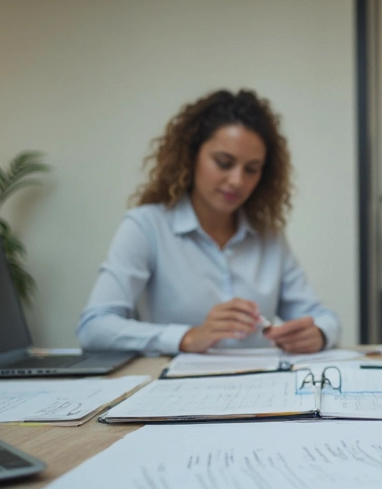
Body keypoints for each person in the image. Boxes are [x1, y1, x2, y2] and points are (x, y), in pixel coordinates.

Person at [76, 89, 340, 355]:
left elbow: (322, 317)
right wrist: (188, 337)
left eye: (251, 169)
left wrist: (318, 333)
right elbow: (94, 327)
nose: (237, 181)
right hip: (176, 390)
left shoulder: (268, 237)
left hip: (263, 388)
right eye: (224, 163)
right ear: (191, 156)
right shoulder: (147, 227)